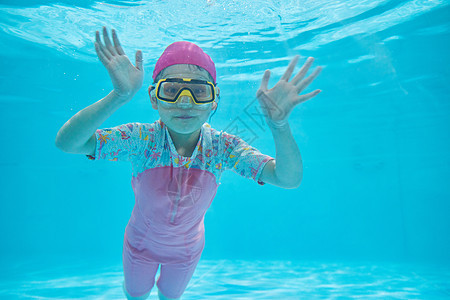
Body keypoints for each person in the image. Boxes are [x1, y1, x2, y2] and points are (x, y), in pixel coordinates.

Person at [55, 26, 322, 300]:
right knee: (136, 295)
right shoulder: (141, 139)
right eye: (171, 90)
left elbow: (288, 179)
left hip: (186, 253)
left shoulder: (222, 148)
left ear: (214, 100)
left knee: (170, 297)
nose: (185, 102)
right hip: (138, 248)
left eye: (198, 92)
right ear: (153, 98)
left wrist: (279, 125)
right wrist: (119, 95)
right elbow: (68, 143)